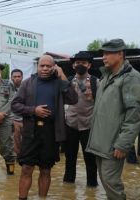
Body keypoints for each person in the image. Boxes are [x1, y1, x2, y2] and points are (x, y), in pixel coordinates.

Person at [12, 55, 78, 199]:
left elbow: (73, 99)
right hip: (31, 131)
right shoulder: (27, 83)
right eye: (42, 65)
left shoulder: (59, 83)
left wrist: (62, 76)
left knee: (46, 170)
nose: (45, 68)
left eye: (49, 66)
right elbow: (15, 105)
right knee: (26, 169)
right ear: (38, 66)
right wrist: (33, 110)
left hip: (51, 132)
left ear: (54, 67)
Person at [86, 39, 140, 200]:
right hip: (100, 141)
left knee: (111, 182)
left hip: (114, 143)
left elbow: (135, 114)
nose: (104, 57)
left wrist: (123, 144)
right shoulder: (106, 77)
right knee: (105, 180)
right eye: (103, 53)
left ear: (120, 54)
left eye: (108, 53)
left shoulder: (131, 78)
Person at [63, 51, 98, 187]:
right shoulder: (68, 81)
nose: (80, 65)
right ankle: (68, 186)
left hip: (89, 126)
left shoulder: (96, 82)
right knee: (69, 158)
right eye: (77, 63)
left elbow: (102, 104)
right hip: (70, 124)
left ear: (89, 65)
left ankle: (92, 187)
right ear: (73, 65)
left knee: (90, 159)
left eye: (83, 63)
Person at [10, 69, 24, 155]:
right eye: (15, 76)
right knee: (15, 143)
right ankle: (17, 160)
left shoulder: (27, 87)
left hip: (25, 119)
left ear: (22, 77)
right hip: (14, 120)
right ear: (11, 77)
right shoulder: (7, 89)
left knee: (27, 142)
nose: (17, 78)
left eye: (19, 76)